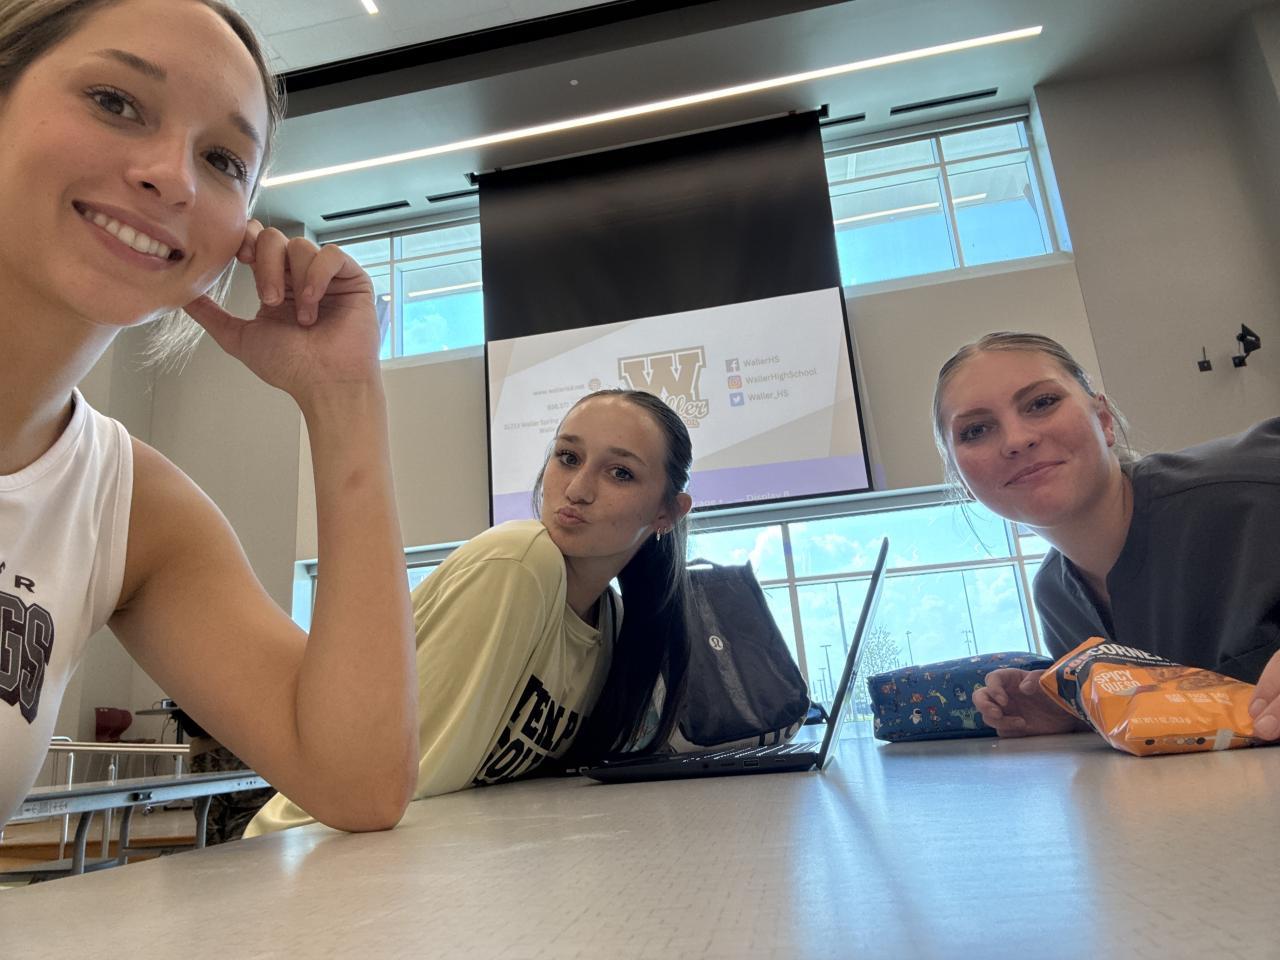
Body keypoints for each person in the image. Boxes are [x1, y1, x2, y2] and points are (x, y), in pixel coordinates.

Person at [0, 0, 418, 833]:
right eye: (115, 102)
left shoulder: (129, 509)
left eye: (223, 159)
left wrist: (343, 399)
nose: (175, 178)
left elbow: (359, 782)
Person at [246, 389, 695, 835]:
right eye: (567, 457)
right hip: (314, 845)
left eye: (620, 473)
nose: (577, 490)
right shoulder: (520, 562)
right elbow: (409, 790)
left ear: (667, 513)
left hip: (407, 853)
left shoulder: (613, 623)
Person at [930, 332, 1280, 740]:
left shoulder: (1251, 486)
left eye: (1042, 403)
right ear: (960, 476)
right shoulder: (1056, 599)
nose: (1017, 440)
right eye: (975, 430)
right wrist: (1080, 714)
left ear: (1104, 420)